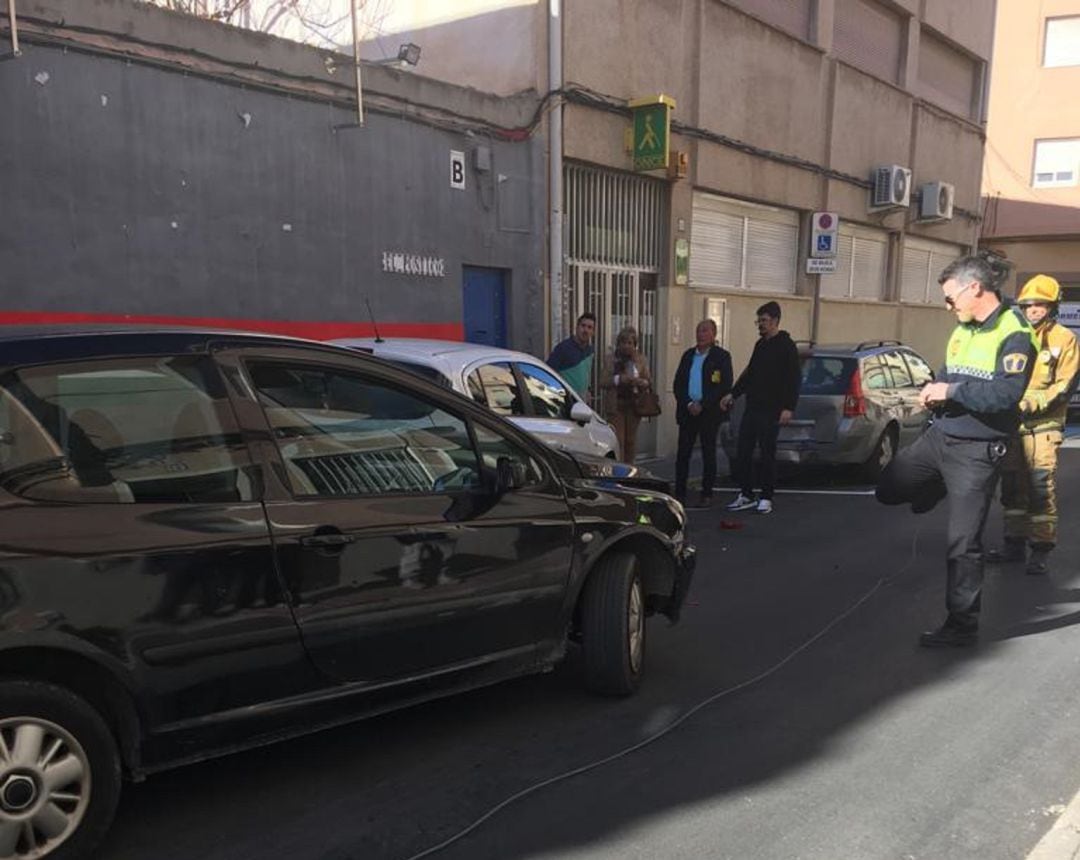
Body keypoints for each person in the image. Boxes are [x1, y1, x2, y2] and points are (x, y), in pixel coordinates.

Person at [875, 255, 1038, 648]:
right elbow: (948, 374)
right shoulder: (963, 329)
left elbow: (1006, 393)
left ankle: (962, 623)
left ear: (975, 289)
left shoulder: (1015, 333)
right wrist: (934, 391)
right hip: (940, 436)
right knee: (888, 488)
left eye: (951, 299)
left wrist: (951, 391)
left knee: (963, 544)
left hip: (978, 451)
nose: (949, 307)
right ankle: (935, 485)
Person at [989, 275, 1079, 575]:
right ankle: (1013, 543)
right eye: (1029, 305)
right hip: (1012, 426)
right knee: (1012, 488)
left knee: (1040, 488)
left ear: (1052, 307)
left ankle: (1040, 548)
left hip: (1043, 427)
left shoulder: (1064, 339)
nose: (1033, 310)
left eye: (1040, 305)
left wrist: (1031, 403)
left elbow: (1064, 385)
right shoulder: (1014, 336)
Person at [719, 301, 801, 515]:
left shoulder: (786, 346)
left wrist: (788, 407)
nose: (760, 325)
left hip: (771, 409)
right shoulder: (760, 345)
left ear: (775, 321)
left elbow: (793, 379)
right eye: (759, 321)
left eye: (763, 320)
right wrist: (733, 394)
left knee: (767, 453)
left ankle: (766, 496)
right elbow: (750, 375)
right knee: (743, 452)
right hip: (753, 407)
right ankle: (746, 494)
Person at [672, 319, 733, 508]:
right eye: (698, 331)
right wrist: (689, 403)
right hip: (688, 411)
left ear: (713, 334)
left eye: (705, 331)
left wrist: (703, 404)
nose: (700, 334)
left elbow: (724, 385)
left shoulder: (721, 357)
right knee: (683, 453)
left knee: (708, 452)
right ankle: (680, 492)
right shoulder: (688, 355)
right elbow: (678, 384)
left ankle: (707, 493)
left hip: (709, 413)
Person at [600, 326, 652, 462]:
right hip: (616, 405)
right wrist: (618, 379)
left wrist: (642, 382)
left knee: (630, 441)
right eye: (624, 342)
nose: (627, 346)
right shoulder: (610, 359)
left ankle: (630, 472)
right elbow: (603, 381)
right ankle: (619, 471)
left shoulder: (641, 360)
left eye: (630, 343)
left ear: (635, 345)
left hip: (634, 405)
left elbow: (648, 380)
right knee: (619, 441)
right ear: (619, 343)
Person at [547, 312, 596, 400]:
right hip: (565, 401)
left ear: (593, 332)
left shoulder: (590, 351)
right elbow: (549, 372)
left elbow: (586, 374)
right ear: (576, 327)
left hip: (582, 402)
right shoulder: (563, 348)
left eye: (589, 327)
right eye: (583, 326)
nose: (585, 330)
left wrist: (588, 390)